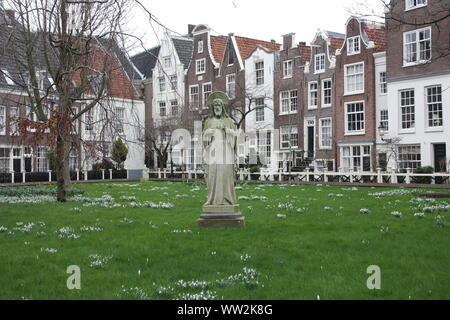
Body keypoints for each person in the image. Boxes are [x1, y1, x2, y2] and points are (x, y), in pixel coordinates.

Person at [203, 92, 238, 206]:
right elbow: (204, 139)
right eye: (215, 106)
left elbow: (235, 135)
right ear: (212, 108)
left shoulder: (229, 121)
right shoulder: (208, 121)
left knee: (225, 175)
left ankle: (227, 199)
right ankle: (213, 200)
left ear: (222, 107)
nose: (217, 108)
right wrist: (208, 133)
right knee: (213, 176)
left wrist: (226, 130)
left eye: (219, 106)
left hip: (226, 152)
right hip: (213, 152)